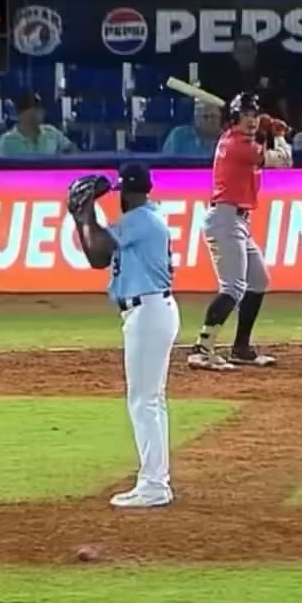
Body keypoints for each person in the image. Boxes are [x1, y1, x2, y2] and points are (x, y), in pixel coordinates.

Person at [68, 165, 179, 509]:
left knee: (144, 401)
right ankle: (155, 480)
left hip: (148, 311)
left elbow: (98, 248)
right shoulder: (146, 217)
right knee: (150, 400)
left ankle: (154, 484)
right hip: (148, 310)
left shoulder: (141, 220)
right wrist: (82, 218)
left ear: (127, 193)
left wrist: (84, 214)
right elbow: (97, 257)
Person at [187, 92, 293, 371]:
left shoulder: (237, 139)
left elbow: (260, 150)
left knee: (258, 280)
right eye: (246, 115)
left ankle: (241, 348)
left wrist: (265, 131)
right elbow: (283, 160)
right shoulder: (238, 145)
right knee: (233, 287)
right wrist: (279, 134)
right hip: (226, 219)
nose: (252, 120)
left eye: (255, 114)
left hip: (237, 221)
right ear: (235, 118)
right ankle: (202, 349)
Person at [203, 35, 291, 121]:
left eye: (248, 50)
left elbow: (280, 97)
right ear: (234, 53)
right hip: (236, 122)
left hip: (264, 121)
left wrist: (286, 121)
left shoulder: (266, 74)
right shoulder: (225, 77)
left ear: (255, 51)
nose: (244, 54)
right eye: (241, 51)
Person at [0, 93, 77, 157]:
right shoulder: (7, 140)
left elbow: (72, 150)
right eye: (33, 109)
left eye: (39, 109)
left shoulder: (52, 132)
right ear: (20, 114)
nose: (38, 113)